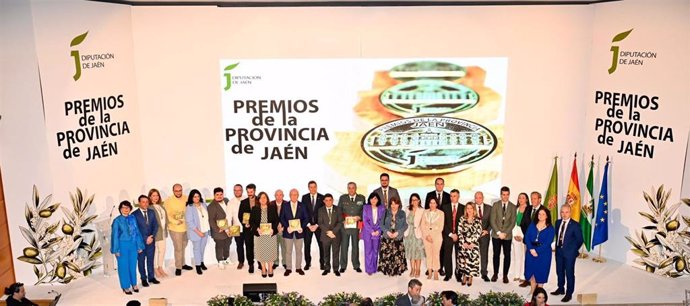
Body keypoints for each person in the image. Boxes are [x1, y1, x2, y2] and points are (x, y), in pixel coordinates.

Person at [551, 204, 584, 303]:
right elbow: (558, 236)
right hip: (559, 252)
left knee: (569, 273)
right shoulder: (557, 222)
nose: (564, 214)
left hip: (569, 253)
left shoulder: (575, 225)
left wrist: (573, 250)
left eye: (566, 212)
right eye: (562, 212)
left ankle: (569, 293)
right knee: (559, 271)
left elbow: (580, 240)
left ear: (570, 212)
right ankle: (561, 288)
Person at [111, 200, 144, 294]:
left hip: (133, 245)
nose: (126, 209)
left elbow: (137, 232)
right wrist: (116, 249)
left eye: (127, 207)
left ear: (130, 209)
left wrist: (139, 246)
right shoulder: (117, 220)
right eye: (123, 207)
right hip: (122, 246)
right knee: (123, 266)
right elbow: (115, 236)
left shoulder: (133, 218)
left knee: (132, 266)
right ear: (120, 209)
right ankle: (125, 286)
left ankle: (134, 284)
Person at [524, 207, 555, 296]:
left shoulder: (550, 228)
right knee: (531, 272)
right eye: (539, 214)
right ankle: (533, 290)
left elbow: (548, 243)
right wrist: (531, 249)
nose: (540, 216)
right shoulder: (532, 224)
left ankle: (539, 292)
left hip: (543, 254)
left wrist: (537, 250)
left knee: (541, 272)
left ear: (547, 216)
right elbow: (527, 237)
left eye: (543, 214)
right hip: (530, 252)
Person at [164, 184, 193, 276]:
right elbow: (167, 215)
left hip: (186, 227)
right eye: (176, 191)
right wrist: (176, 222)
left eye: (180, 190)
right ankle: (178, 267)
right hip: (175, 228)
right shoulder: (168, 201)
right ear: (173, 191)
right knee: (178, 248)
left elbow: (190, 210)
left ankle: (183, 264)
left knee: (183, 246)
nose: (178, 192)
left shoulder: (187, 198)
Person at [490, 186, 517, 283]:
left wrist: (505, 233)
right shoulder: (495, 205)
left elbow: (513, 222)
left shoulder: (513, 207)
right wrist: (498, 232)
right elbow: (492, 220)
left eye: (507, 195)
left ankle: (505, 275)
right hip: (496, 235)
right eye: (503, 194)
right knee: (496, 255)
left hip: (507, 235)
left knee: (507, 255)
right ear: (501, 195)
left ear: (509, 195)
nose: (505, 197)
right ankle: (495, 274)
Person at [519, 191, 546, 287]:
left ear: (540, 199)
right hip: (528, 241)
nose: (533, 200)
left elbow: (546, 227)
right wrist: (527, 236)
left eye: (535, 198)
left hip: (538, 243)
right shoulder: (528, 208)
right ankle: (528, 279)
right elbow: (523, 223)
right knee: (528, 260)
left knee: (537, 262)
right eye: (531, 198)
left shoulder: (544, 211)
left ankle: (537, 281)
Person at [424, 177, 450, 276]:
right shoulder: (429, 195)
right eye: (437, 184)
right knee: (430, 250)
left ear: (443, 185)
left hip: (442, 226)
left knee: (441, 249)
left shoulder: (448, 196)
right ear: (435, 185)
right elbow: (427, 210)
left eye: (441, 184)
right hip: (430, 227)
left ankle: (440, 268)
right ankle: (429, 268)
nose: (439, 185)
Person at [250, 191, 279, 278]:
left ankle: (270, 268)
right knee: (261, 252)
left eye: (264, 197)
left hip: (270, 234)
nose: (263, 199)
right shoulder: (255, 209)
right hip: (260, 235)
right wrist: (257, 229)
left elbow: (276, 220)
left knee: (270, 252)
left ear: (267, 199)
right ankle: (263, 268)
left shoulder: (272, 208)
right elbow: (252, 221)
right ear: (258, 200)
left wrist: (273, 229)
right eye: (261, 198)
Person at [132, 195, 159, 286]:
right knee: (141, 261)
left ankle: (151, 277)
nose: (145, 204)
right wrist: (145, 238)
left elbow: (156, 225)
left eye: (147, 202)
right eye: (143, 202)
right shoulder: (134, 214)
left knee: (150, 260)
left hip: (151, 241)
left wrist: (152, 236)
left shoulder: (151, 212)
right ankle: (143, 278)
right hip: (140, 242)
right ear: (139, 203)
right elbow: (135, 230)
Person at [280, 189, 308, 276]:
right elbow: (282, 218)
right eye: (292, 194)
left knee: (299, 251)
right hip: (288, 232)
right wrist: (286, 226)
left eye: (295, 194)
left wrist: (302, 227)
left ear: (298, 195)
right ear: (289, 195)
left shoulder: (302, 205)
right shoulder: (285, 205)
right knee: (288, 251)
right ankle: (288, 268)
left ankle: (298, 267)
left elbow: (306, 218)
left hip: (299, 233)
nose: (294, 196)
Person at [338, 182, 365, 273]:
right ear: (347, 189)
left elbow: (363, 211)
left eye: (353, 188)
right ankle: (343, 265)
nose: (351, 189)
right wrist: (343, 221)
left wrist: (359, 217)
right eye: (349, 188)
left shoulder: (361, 198)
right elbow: (339, 211)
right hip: (345, 227)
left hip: (355, 227)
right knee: (344, 246)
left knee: (355, 246)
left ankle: (356, 265)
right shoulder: (342, 198)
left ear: (356, 188)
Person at [379, 196, 408, 276]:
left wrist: (398, 232)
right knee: (387, 255)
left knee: (397, 255)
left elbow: (405, 225)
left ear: (398, 204)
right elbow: (381, 224)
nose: (393, 206)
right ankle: (387, 270)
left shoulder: (402, 213)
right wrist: (387, 232)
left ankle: (397, 271)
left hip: (397, 236)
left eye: (395, 204)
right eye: (391, 204)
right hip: (387, 236)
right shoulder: (385, 212)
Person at [318, 193, 344, 276]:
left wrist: (333, 232)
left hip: (336, 235)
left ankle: (336, 269)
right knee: (326, 253)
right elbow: (320, 223)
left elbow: (340, 222)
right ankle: (327, 268)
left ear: (332, 200)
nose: (328, 202)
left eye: (330, 200)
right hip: (325, 235)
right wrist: (328, 232)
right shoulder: (320, 210)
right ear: (324, 201)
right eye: (326, 200)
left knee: (336, 253)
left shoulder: (338, 209)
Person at [457, 202, 482, 286]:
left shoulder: (478, 220)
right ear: (465, 209)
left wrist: (472, 242)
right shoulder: (462, 218)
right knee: (464, 261)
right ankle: (464, 275)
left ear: (474, 209)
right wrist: (463, 242)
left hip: (473, 245)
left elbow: (478, 232)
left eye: (471, 208)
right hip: (463, 244)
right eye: (467, 208)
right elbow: (459, 231)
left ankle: (470, 276)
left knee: (471, 261)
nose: (469, 210)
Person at [185, 189, 210, 275]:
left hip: (205, 230)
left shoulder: (203, 204)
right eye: (195, 197)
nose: (197, 198)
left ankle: (202, 262)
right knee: (197, 249)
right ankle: (198, 266)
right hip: (196, 232)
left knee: (202, 248)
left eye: (198, 196)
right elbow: (189, 222)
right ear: (191, 198)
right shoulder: (189, 207)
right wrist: (198, 232)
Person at [207, 187, 232, 270]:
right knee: (219, 246)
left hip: (228, 229)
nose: (219, 196)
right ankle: (220, 261)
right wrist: (217, 229)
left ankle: (226, 258)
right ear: (214, 195)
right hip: (219, 230)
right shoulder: (211, 206)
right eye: (217, 195)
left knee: (227, 244)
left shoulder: (226, 200)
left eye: (221, 194)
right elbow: (211, 220)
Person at [302, 180, 325, 271]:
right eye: (311, 187)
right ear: (308, 188)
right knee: (307, 245)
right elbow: (303, 212)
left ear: (317, 187)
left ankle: (322, 263)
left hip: (318, 226)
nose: (313, 189)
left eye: (314, 187)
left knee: (321, 245)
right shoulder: (305, 197)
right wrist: (308, 224)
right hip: (308, 226)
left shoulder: (322, 197)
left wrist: (317, 224)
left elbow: (323, 213)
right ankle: (308, 263)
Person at [442, 189, 463, 281]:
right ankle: (448, 274)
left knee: (459, 256)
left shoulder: (463, 207)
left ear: (458, 196)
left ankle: (458, 274)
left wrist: (458, 234)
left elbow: (464, 223)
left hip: (459, 236)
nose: (452, 198)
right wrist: (451, 234)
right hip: (448, 235)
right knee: (447, 255)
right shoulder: (444, 207)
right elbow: (443, 223)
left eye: (454, 196)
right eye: (451, 196)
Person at [362, 192, 386, 275]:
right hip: (368, 232)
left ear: (378, 200)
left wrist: (378, 231)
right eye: (372, 198)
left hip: (377, 232)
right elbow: (365, 221)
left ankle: (374, 268)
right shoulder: (366, 207)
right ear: (369, 199)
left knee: (375, 251)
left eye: (375, 198)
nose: (373, 200)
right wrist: (372, 231)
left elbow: (383, 221)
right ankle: (369, 269)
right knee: (368, 251)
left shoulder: (382, 208)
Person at [421, 197, 444, 280]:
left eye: (434, 203)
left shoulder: (441, 213)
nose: (432, 204)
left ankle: (436, 273)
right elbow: (422, 225)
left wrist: (432, 235)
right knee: (428, 255)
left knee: (436, 255)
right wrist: (427, 235)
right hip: (426, 237)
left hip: (436, 238)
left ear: (437, 204)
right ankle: (429, 272)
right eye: (431, 203)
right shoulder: (425, 212)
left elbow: (440, 227)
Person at [148, 188, 168, 278]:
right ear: (150, 197)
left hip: (163, 231)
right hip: (155, 232)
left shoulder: (161, 206)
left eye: (157, 195)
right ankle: (155, 268)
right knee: (156, 251)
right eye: (153, 196)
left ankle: (160, 267)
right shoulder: (149, 207)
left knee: (162, 250)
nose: (156, 197)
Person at [404, 193, 425, 278]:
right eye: (412, 200)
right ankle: (412, 269)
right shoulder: (407, 209)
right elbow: (405, 221)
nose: (414, 201)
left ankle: (418, 269)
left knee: (418, 253)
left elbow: (423, 224)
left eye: (416, 200)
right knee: (411, 253)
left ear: (419, 200)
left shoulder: (422, 210)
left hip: (418, 233)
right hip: (409, 233)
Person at [239, 183, 258, 273]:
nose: (249, 193)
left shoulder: (260, 200)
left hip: (258, 229)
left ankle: (260, 263)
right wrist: (244, 224)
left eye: (251, 191)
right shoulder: (243, 202)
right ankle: (251, 264)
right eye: (248, 192)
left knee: (259, 246)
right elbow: (240, 215)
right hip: (247, 229)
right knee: (249, 247)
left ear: (254, 191)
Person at [474, 191, 492, 282]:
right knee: (472, 255)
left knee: (484, 255)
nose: (478, 199)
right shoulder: (470, 207)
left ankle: (484, 273)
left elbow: (492, 222)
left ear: (483, 198)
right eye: (476, 197)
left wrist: (487, 231)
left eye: (480, 197)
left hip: (484, 235)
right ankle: (471, 273)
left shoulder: (489, 208)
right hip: (473, 235)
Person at [512, 192, 529, 284]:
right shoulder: (516, 209)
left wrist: (522, 237)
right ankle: (516, 275)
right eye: (519, 198)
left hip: (525, 235)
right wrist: (515, 234)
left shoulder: (529, 209)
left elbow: (528, 225)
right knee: (517, 255)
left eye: (523, 198)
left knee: (524, 256)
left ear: (526, 199)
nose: (521, 199)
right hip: (515, 234)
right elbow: (513, 223)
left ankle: (523, 275)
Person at [228, 184, 245, 269]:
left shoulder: (247, 199)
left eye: (239, 190)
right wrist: (228, 230)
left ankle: (251, 262)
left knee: (250, 246)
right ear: (233, 191)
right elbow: (228, 217)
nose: (237, 192)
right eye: (235, 190)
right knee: (239, 246)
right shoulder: (231, 202)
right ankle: (241, 262)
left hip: (248, 227)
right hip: (236, 228)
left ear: (242, 191)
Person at [272, 189, 289, 270]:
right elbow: (270, 218)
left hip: (284, 229)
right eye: (277, 195)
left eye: (280, 195)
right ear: (274, 196)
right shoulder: (271, 204)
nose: (278, 197)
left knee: (284, 247)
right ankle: (275, 262)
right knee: (274, 247)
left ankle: (285, 262)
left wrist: (283, 227)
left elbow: (289, 217)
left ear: (283, 196)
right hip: (274, 230)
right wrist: (275, 227)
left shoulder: (287, 204)